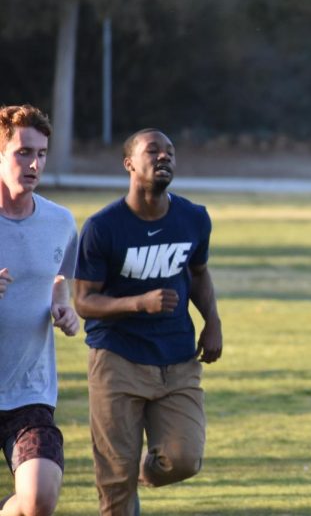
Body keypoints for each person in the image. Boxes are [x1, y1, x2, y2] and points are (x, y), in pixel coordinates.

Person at [73, 128, 223, 516]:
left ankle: (146, 471)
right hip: (117, 360)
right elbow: (84, 302)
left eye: (170, 152)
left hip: (177, 357)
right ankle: (126, 481)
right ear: (129, 164)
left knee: (184, 458)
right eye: (153, 150)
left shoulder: (193, 218)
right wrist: (138, 302)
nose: (164, 157)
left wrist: (213, 322)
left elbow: (199, 272)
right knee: (115, 483)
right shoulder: (102, 227)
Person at [0, 105, 80, 516]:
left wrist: (63, 308)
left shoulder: (60, 221)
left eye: (42, 153)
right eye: (22, 152)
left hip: (29, 390)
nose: (34, 164)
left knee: (39, 498)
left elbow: (59, 277)